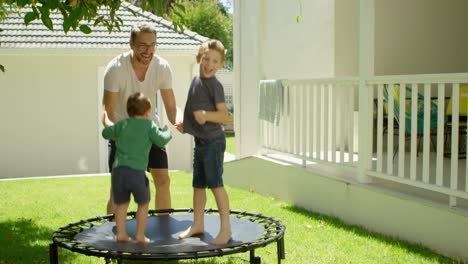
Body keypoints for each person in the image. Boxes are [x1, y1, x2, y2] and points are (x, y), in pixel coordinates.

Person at [103, 22, 183, 215]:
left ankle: (164, 231)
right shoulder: (116, 69)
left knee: (163, 180)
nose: (148, 51)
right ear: (131, 43)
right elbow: (107, 111)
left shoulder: (162, 67)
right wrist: (118, 135)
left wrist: (181, 121)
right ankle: (111, 236)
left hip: (150, 130)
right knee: (120, 189)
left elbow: (172, 108)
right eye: (143, 45)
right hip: (123, 134)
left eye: (153, 45)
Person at [178, 39, 233, 245]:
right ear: (198, 59)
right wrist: (187, 125)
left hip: (213, 142)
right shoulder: (196, 81)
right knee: (198, 185)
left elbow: (224, 116)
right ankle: (197, 224)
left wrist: (206, 115)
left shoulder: (215, 86)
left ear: (221, 65)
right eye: (206, 59)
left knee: (216, 184)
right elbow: (193, 108)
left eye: (215, 61)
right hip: (200, 142)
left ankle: (226, 229)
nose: (210, 64)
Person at [101, 92, 173, 243]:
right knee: (143, 203)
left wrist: (106, 120)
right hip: (137, 174)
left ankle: (120, 234)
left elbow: (106, 133)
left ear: (129, 111)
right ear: (147, 112)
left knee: (121, 204)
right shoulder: (149, 126)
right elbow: (161, 141)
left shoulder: (123, 124)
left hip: (119, 172)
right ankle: (140, 235)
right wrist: (167, 131)